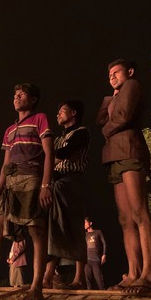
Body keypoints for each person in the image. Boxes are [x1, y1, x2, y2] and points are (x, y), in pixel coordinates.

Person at [0, 83, 53, 300]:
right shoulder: (9, 130)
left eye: (22, 94)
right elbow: (5, 164)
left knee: (36, 229)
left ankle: (37, 286)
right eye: (15, 94)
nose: (16, 97)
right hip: (10, 183)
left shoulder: (40, 119)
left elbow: (49, 153)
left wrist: (46, 185)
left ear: (33, 99)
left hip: (31, 178)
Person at [96, 59, 151, 294]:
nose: (111, 76)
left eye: (116, 72)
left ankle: (148, 274)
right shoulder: (117, 93)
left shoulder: (132, 84)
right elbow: (101, 117)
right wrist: (112, 94)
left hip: (130, 150)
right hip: (114, 156)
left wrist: (106, 130)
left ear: (129, 71)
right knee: (125, 218)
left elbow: (121, 118)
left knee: (140, 212)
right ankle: (132, 274)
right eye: (109, 74)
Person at [43, 100, 90, 290]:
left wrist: (51, 157)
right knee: (53, 226)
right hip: (57, 182)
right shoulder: (58, 138)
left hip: (71, 181)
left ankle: (79, 278)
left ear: (73, 113)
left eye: (62, 111)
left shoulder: (81, 132)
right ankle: (48, 276)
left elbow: (64, 153)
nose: (58, 115)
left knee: (74, 225)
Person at [84, 217, 107, 290]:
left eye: (85, 222)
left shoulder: (98, 232)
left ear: (90, 223)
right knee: (88, 280)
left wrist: (104, 254)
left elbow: (104, 243)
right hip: (87, 260)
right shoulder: (85, 234)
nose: (84, 224)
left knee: (99, 279)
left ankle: (104, 294)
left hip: (96, 259)